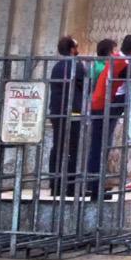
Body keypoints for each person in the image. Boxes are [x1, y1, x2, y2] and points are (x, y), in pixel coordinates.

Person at [86, 34, 131, 199]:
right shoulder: (123, 63)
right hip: (105, 106)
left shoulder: (116, 58)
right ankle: (95, 187)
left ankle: (96, 184)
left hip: (102, 104)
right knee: (100, 147)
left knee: (101, 146)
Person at [48, 36, 86, 196]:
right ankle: (69, 186)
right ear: (72, 49)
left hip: (56, 110)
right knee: (72, 148)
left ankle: (55, 184)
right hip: (72, 111)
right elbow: (86, 85)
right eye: (76, 46)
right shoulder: (76, 65)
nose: (77, 50)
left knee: (57, 146)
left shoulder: (56, 66)